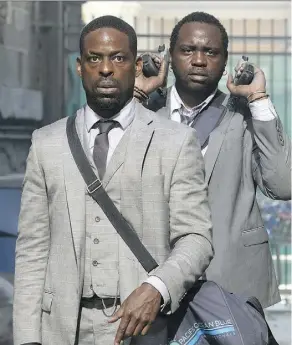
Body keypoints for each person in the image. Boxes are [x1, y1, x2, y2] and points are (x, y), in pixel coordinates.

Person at [13, 15, 213, 345]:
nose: (106, 69)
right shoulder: (46, 143)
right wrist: (26, 338)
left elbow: (197, 238)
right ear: (80, 67)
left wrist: (157, 287)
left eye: (118, 58)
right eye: (95, 58)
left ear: (135, 66)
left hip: (144, 331)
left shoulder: (175, 141)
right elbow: (32, 250)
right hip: (61, 331)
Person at [139, 11, 291, 308]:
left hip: (232, 284)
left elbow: (284, 186)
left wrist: (257, 99)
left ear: (224, 63)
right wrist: (136, 94)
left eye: (210, 52)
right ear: (169, 57)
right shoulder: (144, 114)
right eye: (188, 50)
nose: (199, 60)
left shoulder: (243, 116)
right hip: (154, 282)